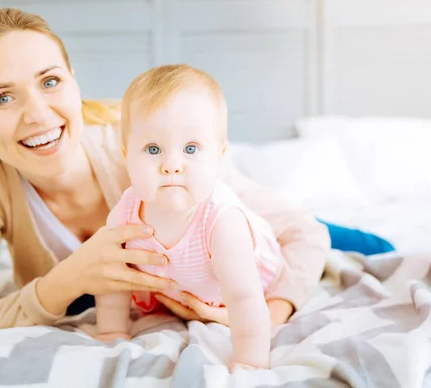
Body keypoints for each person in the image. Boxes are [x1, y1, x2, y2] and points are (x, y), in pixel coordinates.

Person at [0, 7, 334, 330]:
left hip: (232, 235)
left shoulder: (148, 153)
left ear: (74, 83)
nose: (38, 115)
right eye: (2, 98)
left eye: (50, 81)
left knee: (348, 239)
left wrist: (271, 314)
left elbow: (303, 231)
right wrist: (68, 278)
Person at [95, 64, 288, 371]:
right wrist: (110, 331)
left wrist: (250, 361)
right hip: (182, 284)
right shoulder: (125, 213)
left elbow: (244, 297)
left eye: (191, 148)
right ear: (126, 156)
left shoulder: (222, 223)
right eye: (153, 148)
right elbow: (112, 279)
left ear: (219, 157)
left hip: (246, 279)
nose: (171, 165)